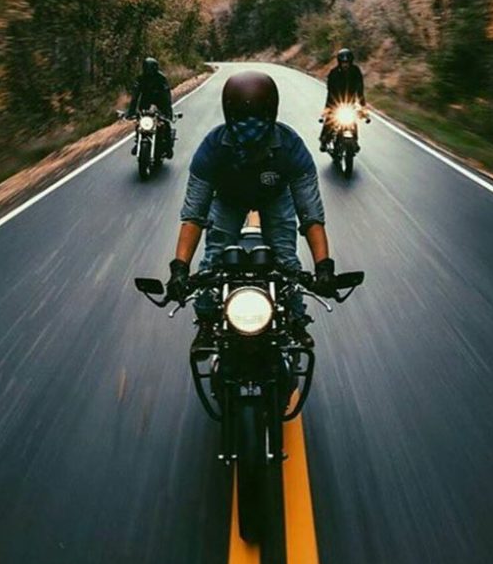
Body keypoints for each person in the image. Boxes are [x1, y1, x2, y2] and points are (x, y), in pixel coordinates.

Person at [164, 70, 341, 353]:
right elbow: (194, 215)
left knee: (286, 261)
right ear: (228, 117)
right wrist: (180, 269)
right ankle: (207, 321)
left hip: (275, 198)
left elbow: (310, 215)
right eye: (242, 121)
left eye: (257, 120)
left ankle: (296, 319)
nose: (250, 127)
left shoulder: (291, 147)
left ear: (271, 115)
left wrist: (323, 267)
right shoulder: (211, 148)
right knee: (212, 262)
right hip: (227, 200)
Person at [125, 57, 174, 157]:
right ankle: (138, 141)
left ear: (155, 68)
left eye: (150, 68)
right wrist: (131, 112)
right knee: (140, 123)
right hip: (145, 103)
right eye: (146, 68)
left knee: (165, 123)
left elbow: (166, 96)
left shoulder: (161, 79)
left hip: (160, 103)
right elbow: (135, 96)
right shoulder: (140, 79)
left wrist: (168, 112)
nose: (148, 70)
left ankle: (168, 147)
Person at [320, 48, 366, 152]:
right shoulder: (333, 73)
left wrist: (363, 106)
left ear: (351, 62)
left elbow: (360, 88)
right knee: (329, 121)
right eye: (343, 62)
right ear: (339, 62)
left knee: (352, 123)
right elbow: (330, 90)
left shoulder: (356, 71)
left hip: (350, 103)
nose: (345, 64)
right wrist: (328, 108)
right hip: (334, 102)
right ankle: (324, 140)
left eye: (347, 62)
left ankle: (355, 140)